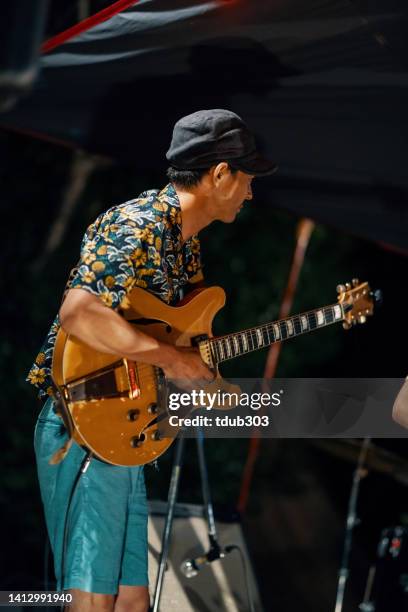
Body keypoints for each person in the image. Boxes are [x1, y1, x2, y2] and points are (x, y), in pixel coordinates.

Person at [27, 109, 277, 612]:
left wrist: (210, 383)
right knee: (92, 603)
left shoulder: (185, 245)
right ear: (220, 174)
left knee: (132, 603)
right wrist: (172, 360)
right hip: (84, 426)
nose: (251, 192)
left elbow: (183, 345)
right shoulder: (137, 224)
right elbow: (79, 313)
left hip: (126, 431)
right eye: (246, 178)